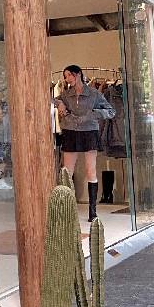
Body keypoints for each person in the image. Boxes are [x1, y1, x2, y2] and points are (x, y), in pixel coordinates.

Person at [54, 64, 115, 221]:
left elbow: (111, 111)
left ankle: (92, 212)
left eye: (69, 75)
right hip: (70, 132)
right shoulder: (66, 94)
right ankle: (66, 211)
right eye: (65, 76)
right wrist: (59, 103)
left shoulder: (94, 93)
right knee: (67, 172)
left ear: (78, 74)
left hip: (89, 133)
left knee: (90, 171)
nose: (67, 79)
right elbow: (50, 99)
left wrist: (93, 114)